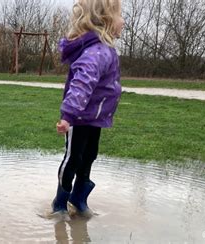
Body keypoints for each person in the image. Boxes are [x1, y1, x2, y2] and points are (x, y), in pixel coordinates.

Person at [52, 0, 125, 216]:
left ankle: (79, 198)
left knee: (90, 155)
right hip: (78, 118)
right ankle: (60, 202)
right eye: (120, 15)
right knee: (73, 158)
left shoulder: (106, 50)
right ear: (106, 20)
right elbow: (81, 84)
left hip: (95, 118)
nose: (124, 21)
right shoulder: (97, 53)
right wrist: (68, 116)